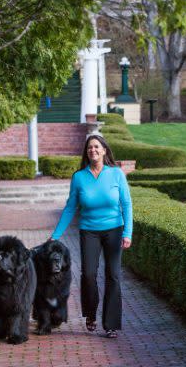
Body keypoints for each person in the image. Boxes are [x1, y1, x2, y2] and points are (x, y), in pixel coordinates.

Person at [50, 134, 132, 339]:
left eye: (96, 147)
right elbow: (70, 207)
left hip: (114, 229)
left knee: (113, 275)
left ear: (104, 150)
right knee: (88, 275)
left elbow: (127, 204)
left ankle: (111, 324)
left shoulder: (116, 174)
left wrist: (127, 232)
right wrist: (55, 236)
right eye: (89, 148)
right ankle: (90, 314)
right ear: (86, 152)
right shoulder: (79, 177)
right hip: (89, 231)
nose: (92, 150)